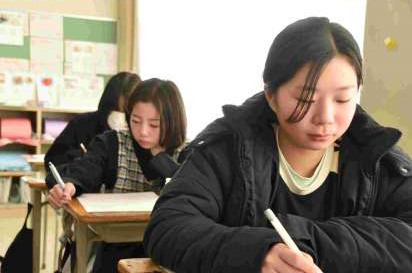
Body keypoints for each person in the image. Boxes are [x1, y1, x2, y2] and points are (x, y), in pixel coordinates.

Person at [143, 17, 412, 273]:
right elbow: (168, 227)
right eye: (306, 100)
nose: (325, 118)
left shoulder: (376, 157)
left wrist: (308, 241)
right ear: (271, 95)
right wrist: (256, 254)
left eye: (342, 100)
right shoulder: (229, 149)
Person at [46, 77, 187, 273]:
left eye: (154, 125)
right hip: (116, 247)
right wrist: (70, 184)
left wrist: (160, 157)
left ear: (173, 122)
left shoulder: (187, 152)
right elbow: (86, 170)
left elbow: (189, 188)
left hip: (167, 249)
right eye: (135, 121)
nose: (143, 132)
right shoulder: (112, 142)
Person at [44, 70, 141, 167]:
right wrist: (83, 156)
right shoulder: (82, 123)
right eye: (117, 111)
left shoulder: (141, 131)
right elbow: (52, 160)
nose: (122, 119)